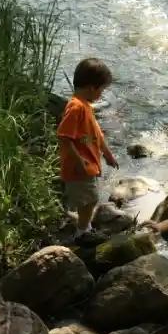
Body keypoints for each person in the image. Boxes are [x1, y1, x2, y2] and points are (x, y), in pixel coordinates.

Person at [57, 58, 119, 245]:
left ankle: (84, 226)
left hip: (88, 164)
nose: (101, 94)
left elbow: (97, 135)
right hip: (79, 167)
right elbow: (63, 136)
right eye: (101, 90)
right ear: (91, 88)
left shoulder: (86, 106)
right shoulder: (76, 107)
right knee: (90, 199)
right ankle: (82, 232)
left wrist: (107, 154)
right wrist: (78, 160)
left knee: (89, 198)